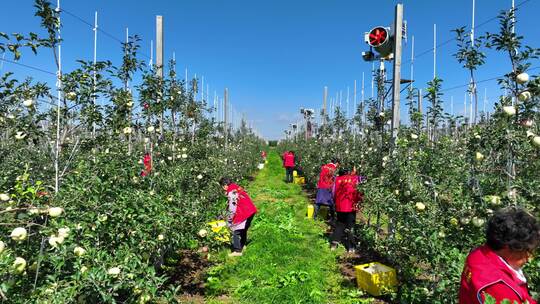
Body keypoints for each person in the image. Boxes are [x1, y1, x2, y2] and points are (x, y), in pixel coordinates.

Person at [459, 207, 539, 304]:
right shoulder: (500, 288)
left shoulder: (478, 254)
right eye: (527, 250)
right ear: (508, 247)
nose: (529, 257)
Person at [219, 177, 258, 257]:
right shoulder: (236, 187)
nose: (223, 189)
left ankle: (237, 251)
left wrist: (229, 219)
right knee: (243, 230)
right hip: (251, 210)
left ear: (225, 185)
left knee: (235, 231)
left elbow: (232, 209)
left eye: (223, 187)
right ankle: (243, 245)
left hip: (244, 212)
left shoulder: (231, 193)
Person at [330, 167, 362, 253]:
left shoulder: (337, 179)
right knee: (350, 226)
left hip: (340, 206)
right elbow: (359, 192)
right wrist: (359, 201)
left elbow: (333, 193)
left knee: (340, 224)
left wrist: (335, 202)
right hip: (351, 206)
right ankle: (351, 247)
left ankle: (333, 244)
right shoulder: (355, 179)